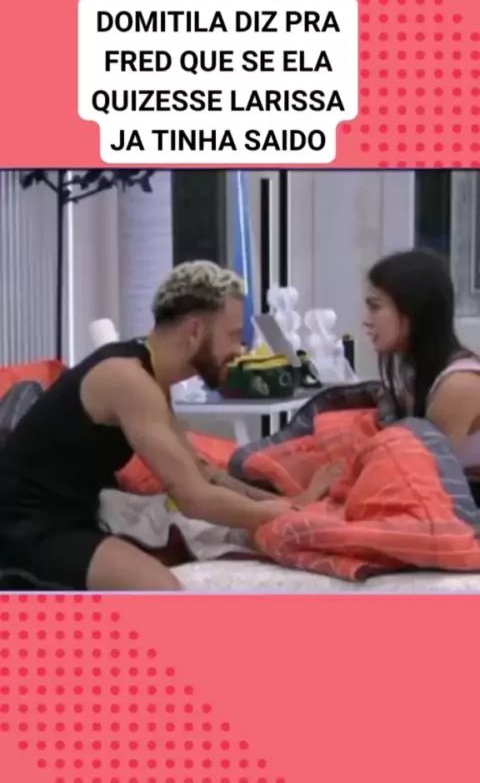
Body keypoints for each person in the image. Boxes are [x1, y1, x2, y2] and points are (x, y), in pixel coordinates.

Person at [0, 261, 303, 592]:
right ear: (195, 332)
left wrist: (287, 503)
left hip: (72, 512)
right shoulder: (128, 380)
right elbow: (193, 499)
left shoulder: (151, 375)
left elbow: (203, 473)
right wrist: (277, 515)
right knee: (161, 591)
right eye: (233, 336)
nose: (238, 350)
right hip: (25, 525)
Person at [364, 248, 480, 471]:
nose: (367, 321)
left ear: (413, 310)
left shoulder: (459, 385)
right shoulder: (416, 375)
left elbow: (429, 476)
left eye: (375, 307)